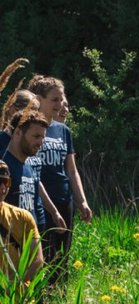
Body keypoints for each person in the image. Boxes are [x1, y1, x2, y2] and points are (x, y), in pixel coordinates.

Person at [25, 77, 91, 264]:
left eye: (61, 100)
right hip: (40, 202)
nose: (60, 105)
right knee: (43, 256)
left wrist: (82, 201)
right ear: (39, 99)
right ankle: (44, 293)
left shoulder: (63, 130)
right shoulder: (29, 129)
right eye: (54, 100)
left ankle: (61, 293)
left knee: (63, 256)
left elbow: (71, 170)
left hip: (64, 199)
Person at [1, 113, 61, 242]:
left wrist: (54, 213)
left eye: (43, 137)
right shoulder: (4, 166)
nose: (41, 142)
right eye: (36, 136)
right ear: (17, 133)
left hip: (29, 244)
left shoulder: (29, 165)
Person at [0, 161, 43, 287]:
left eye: (6, 182)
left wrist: (12, 285)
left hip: (17, 300)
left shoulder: (23, 217)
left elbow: (38, 260)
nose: (3, 188)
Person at [0, 90, 38, 159]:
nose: (34, 119)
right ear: (13, 110)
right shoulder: (2, 143)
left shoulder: (32, 144)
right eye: (30, 115)